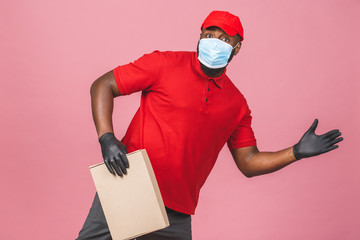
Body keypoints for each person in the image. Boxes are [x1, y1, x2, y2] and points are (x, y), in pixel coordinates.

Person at [77, 10, 343, 240]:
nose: (214, 42)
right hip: (129, 182)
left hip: (178, 209)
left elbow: (248, 161)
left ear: (237, 47)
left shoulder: (237, 104)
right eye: (209, 35)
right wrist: (107, 138)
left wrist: (295, 151)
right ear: (200, 36)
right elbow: (104, 85)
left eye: (225, 39)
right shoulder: (163, 63)